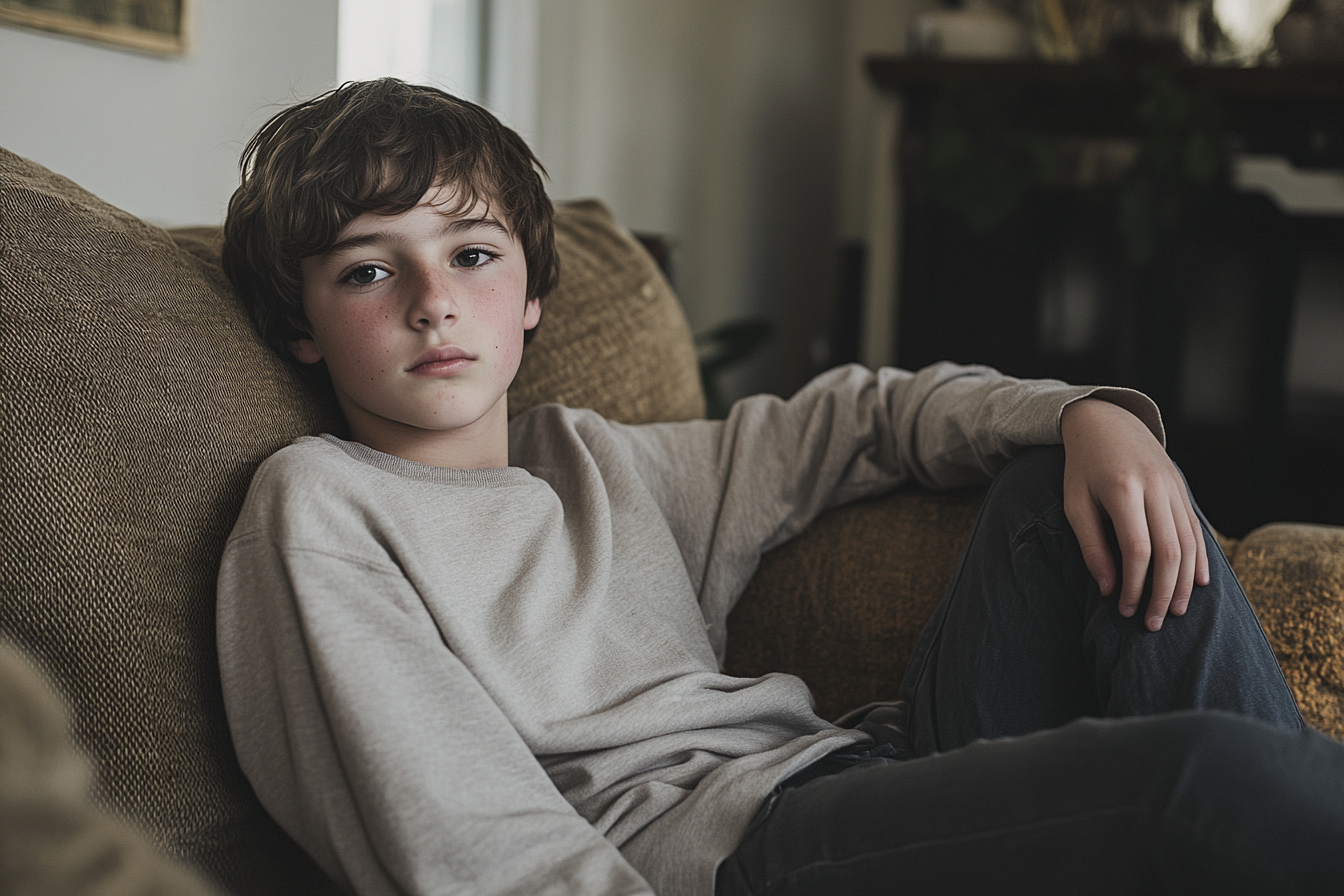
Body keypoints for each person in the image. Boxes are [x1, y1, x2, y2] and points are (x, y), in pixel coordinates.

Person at [215, 78, 1344, 896]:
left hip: (867, 769)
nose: (433, 298)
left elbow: (865, 417)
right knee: (1199, 779)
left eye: (470, 253)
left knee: (1054, 493)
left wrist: (1087, 414)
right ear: (300, 326)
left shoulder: (608, 460)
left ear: (531, 296)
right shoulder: (319, 505)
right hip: (729, 857)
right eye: (368, 268)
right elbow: (455, 827)